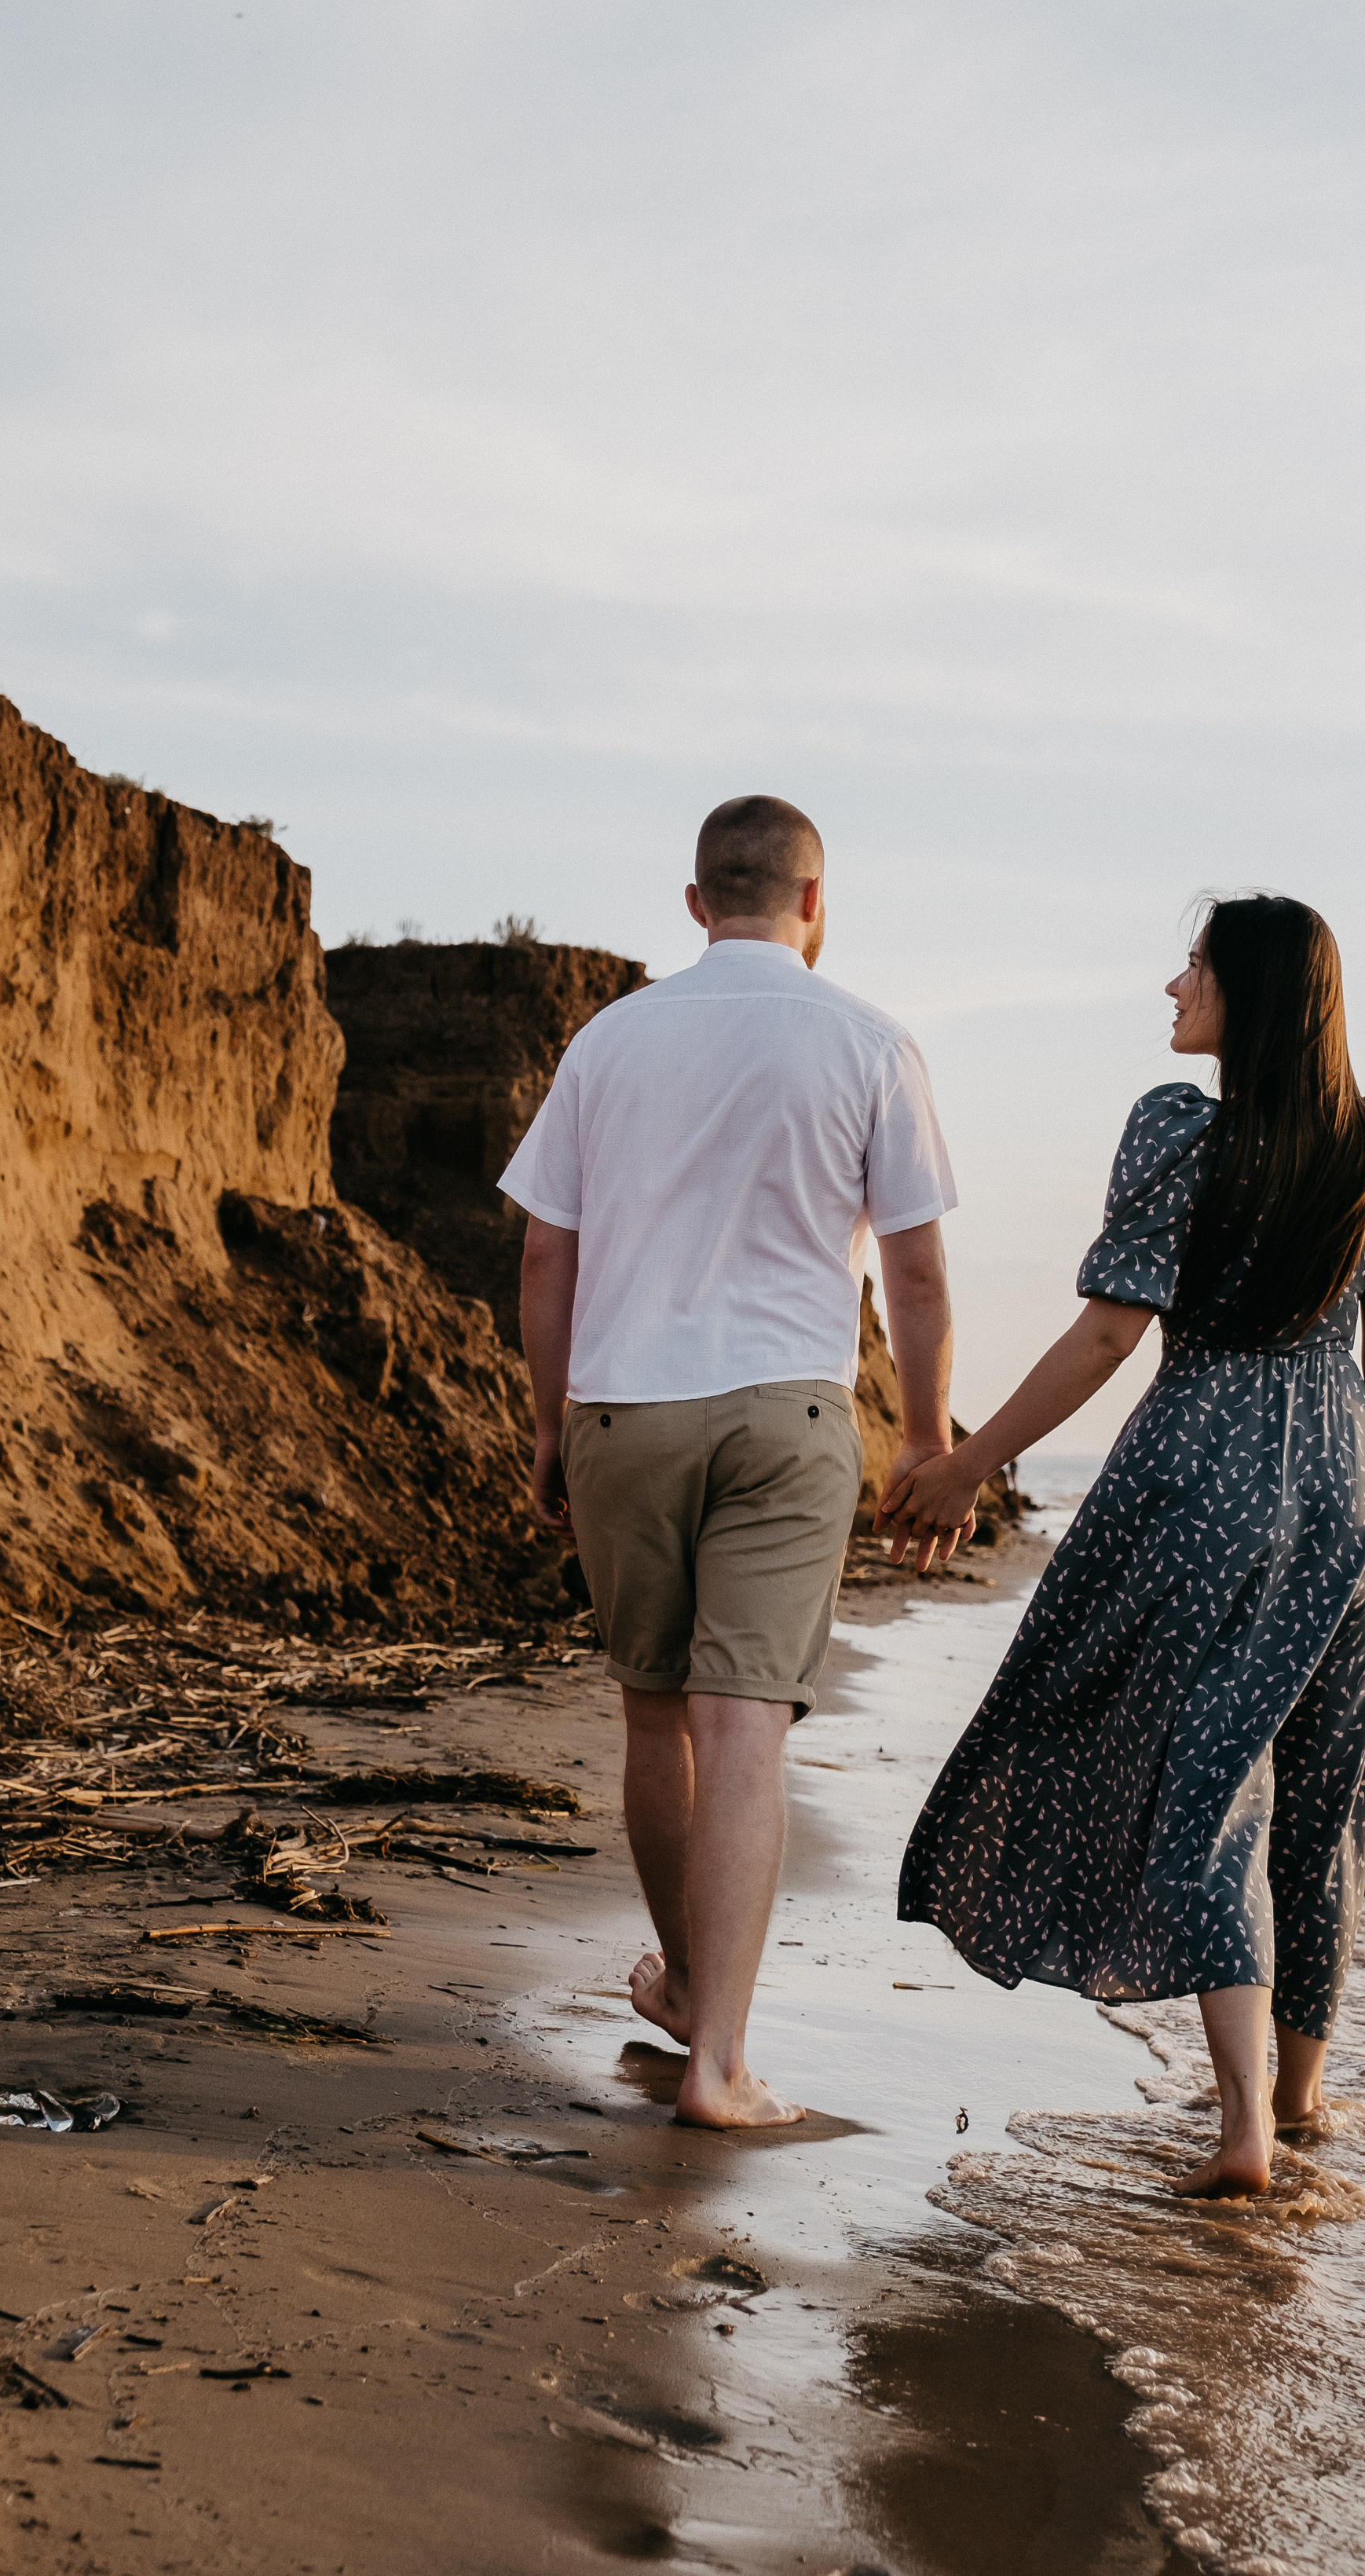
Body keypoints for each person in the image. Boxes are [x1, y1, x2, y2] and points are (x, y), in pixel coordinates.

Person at [881, 892, 1365, 2197]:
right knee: (1320, 1793)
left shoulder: (1176, 1130)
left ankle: (1241, 2132)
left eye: (1192, 966)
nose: (1170, 985)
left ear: (1250, 994)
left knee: (1199, 1784)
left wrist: (966, 1462)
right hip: (1349, 1482)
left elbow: (1105, 1337)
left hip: (1205, 1470)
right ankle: (1299, 2101)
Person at [503, 797, 962, 2128]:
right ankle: (719, 2063)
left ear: (696, 902)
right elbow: (917, 1268)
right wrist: (928, 1436)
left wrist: (549, 1425)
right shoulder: (869, 1040)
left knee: (655, 1713)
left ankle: (696, 1989)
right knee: (744, 1727)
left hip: (624, 1411)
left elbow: (546, 1254)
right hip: (785, 1418)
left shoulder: (610, 1039)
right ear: (815, 904)